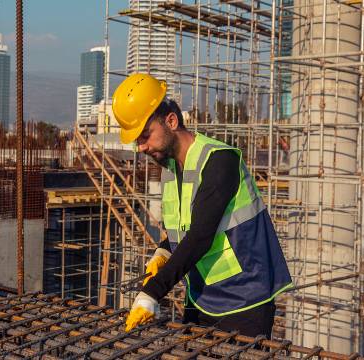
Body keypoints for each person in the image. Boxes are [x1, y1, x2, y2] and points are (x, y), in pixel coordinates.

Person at [112, 74, 292, 337]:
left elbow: (201, 235)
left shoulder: (220, 161)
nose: (141, 147)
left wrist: (151, 292)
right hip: (201, 298)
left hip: (244, 302)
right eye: (137, 140)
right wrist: (164, 251)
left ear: (171, 120)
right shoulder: (171, 168)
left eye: (145, 136)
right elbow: (184, 226)